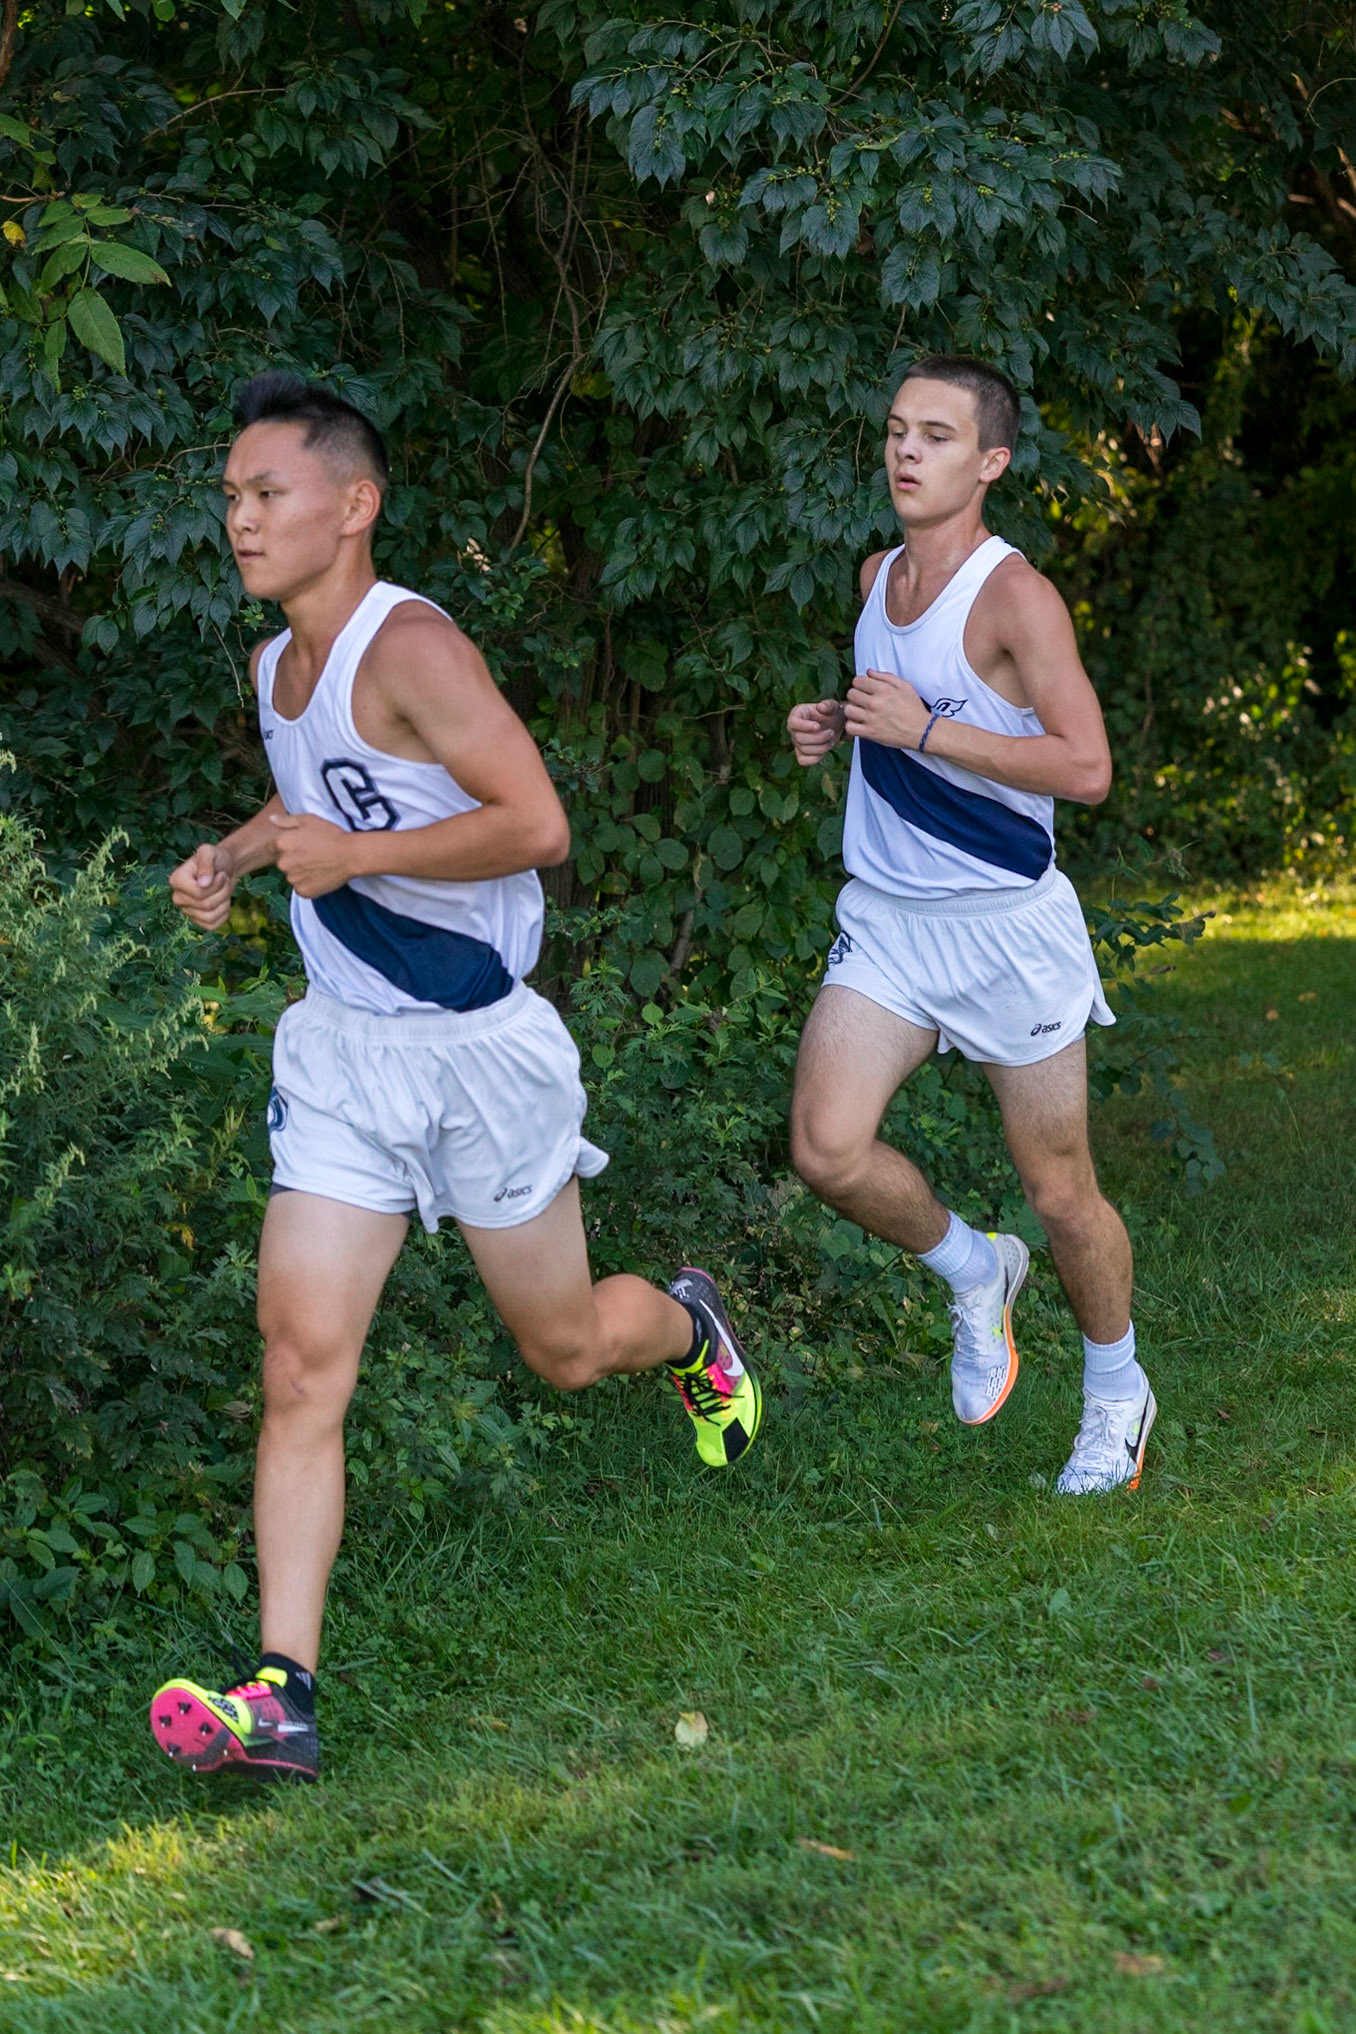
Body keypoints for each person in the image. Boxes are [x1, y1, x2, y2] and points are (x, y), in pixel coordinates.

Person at [149, 371, 761, 1783]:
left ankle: (686, 1329)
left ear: (353, 505)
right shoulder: (277, 665)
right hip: (344, 1051)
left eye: (267, 493)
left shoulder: (412, 644)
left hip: (482, 1052)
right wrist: (235, 856)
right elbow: (314, 797)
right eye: (231, 496)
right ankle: (282, 1693)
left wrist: (354, 858)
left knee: (565, 1347)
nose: (240, 519)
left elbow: (536, 821)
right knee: (299, 1362)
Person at [786, 354, 1154, 1498]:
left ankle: (1117, 1393)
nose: (906, 450)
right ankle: (973, 1267)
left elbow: (1085, 768)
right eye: (898, 428)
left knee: (1062, 1195)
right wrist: (838, 724)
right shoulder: (876, 577)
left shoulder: (1015, 597)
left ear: (990, 462)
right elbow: (903, 719)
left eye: (936, 435)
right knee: (826, 1148)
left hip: (1006, 932)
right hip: (890, 922)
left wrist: (924, 731)